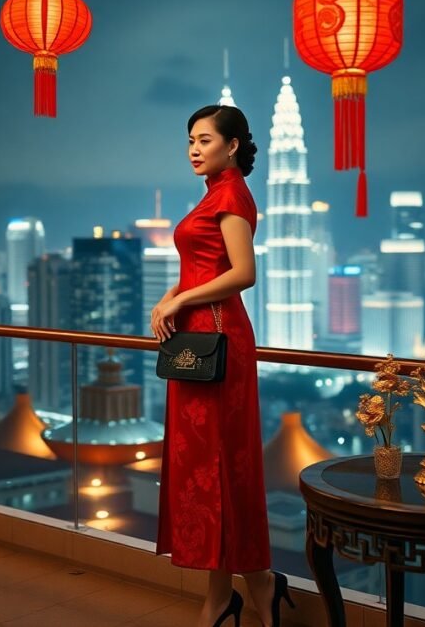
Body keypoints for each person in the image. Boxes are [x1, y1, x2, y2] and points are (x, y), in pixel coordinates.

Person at [150, 105, 293, 627]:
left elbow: (244, 272)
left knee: (220, 465)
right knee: (207, 469)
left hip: (219, 340)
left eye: (205, 139)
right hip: (197, 335)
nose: (193, 148)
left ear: (232, 145)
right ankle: (250, 587)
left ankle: (229, 597)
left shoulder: (231, 195)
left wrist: (177, 302)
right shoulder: (212, 195)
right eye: (190, 139)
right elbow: (198, 267)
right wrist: (171, 297)